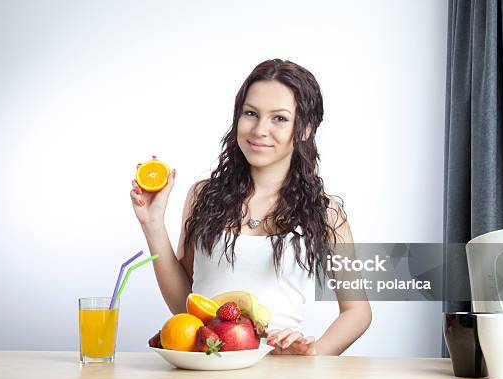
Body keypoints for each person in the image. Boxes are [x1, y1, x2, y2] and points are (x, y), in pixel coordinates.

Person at [130, 59, 371, 355]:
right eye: (251, 114)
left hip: (280, 376)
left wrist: (314, 354)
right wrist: (152, 224)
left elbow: (357, 311)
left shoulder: (326, 213)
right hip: (205, 366)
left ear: (305, 129)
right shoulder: (203, 196)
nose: (259, 130)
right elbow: (186, 303)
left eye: (279, 118)